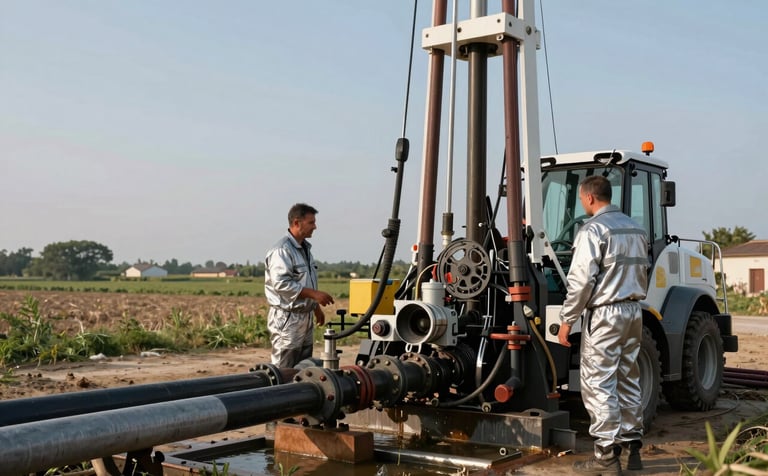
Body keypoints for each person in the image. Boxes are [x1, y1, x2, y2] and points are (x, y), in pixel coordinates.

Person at [557, 175, 649, 475]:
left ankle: (605, 457)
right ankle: (633, 452)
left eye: (582, 199)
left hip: (606, 314)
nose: (583, 203)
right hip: (634, 311)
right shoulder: (635, 228)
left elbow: (582, 280)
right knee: (628, 377)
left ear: (589, 198)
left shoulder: (593, 229)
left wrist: (566, 320)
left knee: (599, 382)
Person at [265, 203, 334, 368]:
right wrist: (314, 295)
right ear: (297, 223)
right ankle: (279, 394)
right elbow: (281, 284)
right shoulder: (282, 250)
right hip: (288, 318)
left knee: (303, 366)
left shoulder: (304, 249)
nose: (315, 227)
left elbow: (305, 281)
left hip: (305, 316)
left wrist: (315, 308)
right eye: (311, 222)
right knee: (285, 366)